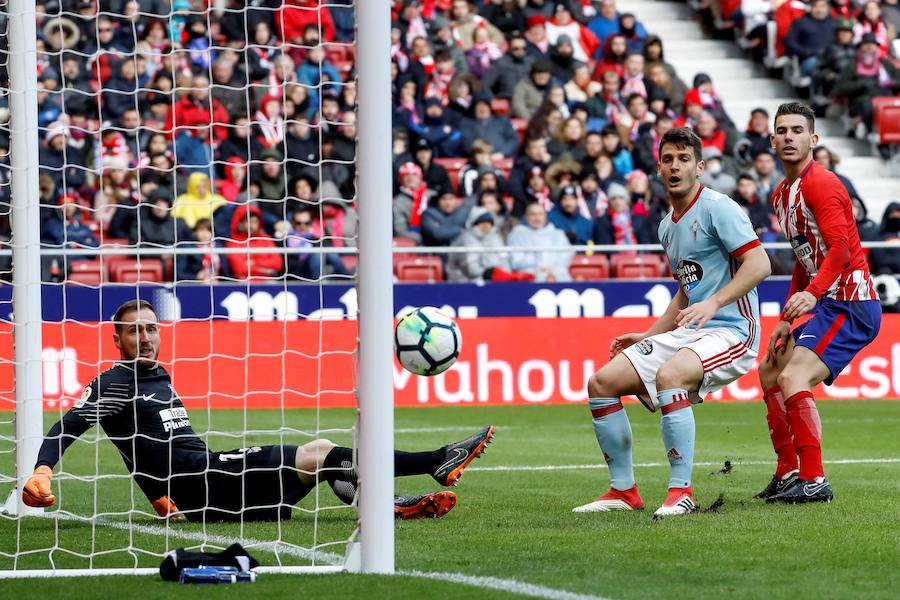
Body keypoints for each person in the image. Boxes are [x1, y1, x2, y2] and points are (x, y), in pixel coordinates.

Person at [22, 300, 496, 522]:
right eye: (134, 332)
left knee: (321, 456)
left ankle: (388, 503)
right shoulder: (117, 381)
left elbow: (137, 450)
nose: (145, 337)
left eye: (151, 329)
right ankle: (432, 463)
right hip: (205, 482)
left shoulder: (158, 376)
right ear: (117, 339)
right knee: (318, 453)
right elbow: (71, 424)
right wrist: (43, 470)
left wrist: (158, 500)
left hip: (208, 481)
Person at [572, 127, 770, 516]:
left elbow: (760, 263)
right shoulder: (667, 226)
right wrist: (647, 336)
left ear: (699, 166)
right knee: (601, 383)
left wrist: (713, 303)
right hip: (692, 330)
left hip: (734, 331)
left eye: (683, 159)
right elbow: (685, 291)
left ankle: (682, 492)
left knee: (670, 376)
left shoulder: (720, 208)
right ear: (658, 168)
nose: (675, 166)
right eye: (668, 159)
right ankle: (623, 492)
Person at [756, 102, 881, 504]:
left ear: (813, 139)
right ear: (772, 140)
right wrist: (786, 317)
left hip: (851, 302)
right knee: (770, 370)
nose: (789, 137)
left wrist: (811, 295)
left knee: (793, 377)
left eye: (797, 130)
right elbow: (803, 257)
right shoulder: (782, 194)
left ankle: (814, 480)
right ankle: (788, 470)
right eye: (782, 131)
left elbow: (841, 250)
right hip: (826, 300)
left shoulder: (820, 183)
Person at [508, 202, 574, 281]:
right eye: (533, 214)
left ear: (545, 217)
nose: (537, 218)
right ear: (526, 217)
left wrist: (550, 267)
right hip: (528, 274)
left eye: (540, 214)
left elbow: (566, 256)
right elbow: (516, 261)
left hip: (556, 273)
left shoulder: (558, 234)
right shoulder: (516, 235)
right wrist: (539, 265)